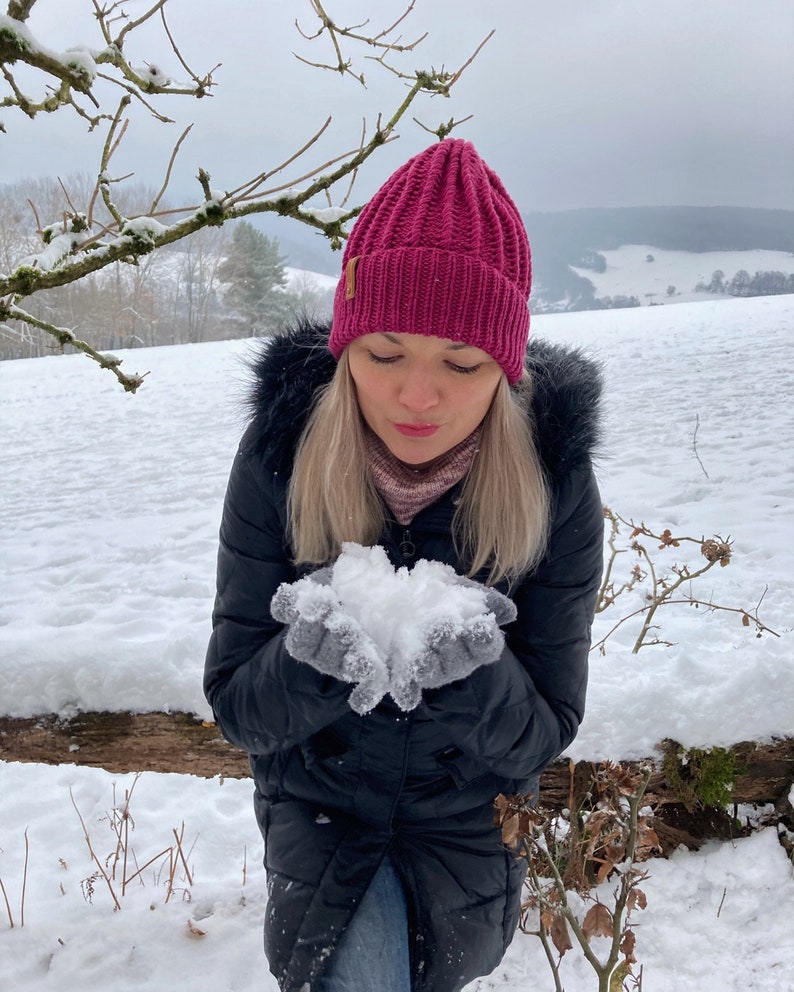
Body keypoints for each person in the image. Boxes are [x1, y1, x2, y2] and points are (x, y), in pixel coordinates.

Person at [204, 138, 604, 992]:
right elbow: (240, 707)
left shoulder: (553, 480)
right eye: (385, 353)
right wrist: (306, 660)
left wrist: (473, 674)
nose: (418, 397)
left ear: (504, 367)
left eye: (461, 364)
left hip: (465, 829)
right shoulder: (279, 456)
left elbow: (545, 731)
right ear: (346, 344)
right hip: (320, 815)